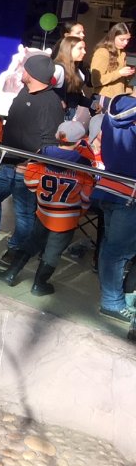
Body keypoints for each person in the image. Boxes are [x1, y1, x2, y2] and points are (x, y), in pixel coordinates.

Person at [0, 53, 63, 260]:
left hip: (27, 170)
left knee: (23, 212)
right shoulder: (24, 91)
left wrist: (31, 164)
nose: (21, 71)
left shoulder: (51, 104)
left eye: (24, 69)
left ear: (32, 74)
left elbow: (50, 143)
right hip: (7, 163)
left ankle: (15, 251)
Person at [0, 121, 95, 292]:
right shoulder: (84, 164)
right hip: (67, 218)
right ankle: (39, 285)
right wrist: (82, 211)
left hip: (43, 211)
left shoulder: (42, 154)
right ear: (79, 142)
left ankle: (11, 273)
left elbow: (31, 182)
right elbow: (86, 195)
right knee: (53, 252)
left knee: (32, 242)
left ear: (58, 135)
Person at [92, 89, 136, 323]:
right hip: (130, 194)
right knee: (118, 252)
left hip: (108, 187)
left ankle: (111, 296)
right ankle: (111, 301)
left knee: (110, 247)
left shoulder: (112, 109)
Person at [89, 23, 134, 105]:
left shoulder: (122, 52)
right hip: (104, 97)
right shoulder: (102, 52)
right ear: (113, 37)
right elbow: (96, 81)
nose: (125, 43)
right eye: (122, 39)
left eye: (128, 40)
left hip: (118, 98)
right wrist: (119, 73)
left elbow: (122, 81)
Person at [52, 34, 91, 121]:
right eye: (80, 48)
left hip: (67, 119)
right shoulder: (58, 69)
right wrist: (59, 101)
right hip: (52, 118)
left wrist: (91, 104)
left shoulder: (78, 72)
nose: (84, 52)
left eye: (84, 49)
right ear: (68, 50)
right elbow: (44, 89)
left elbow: (75, 97)